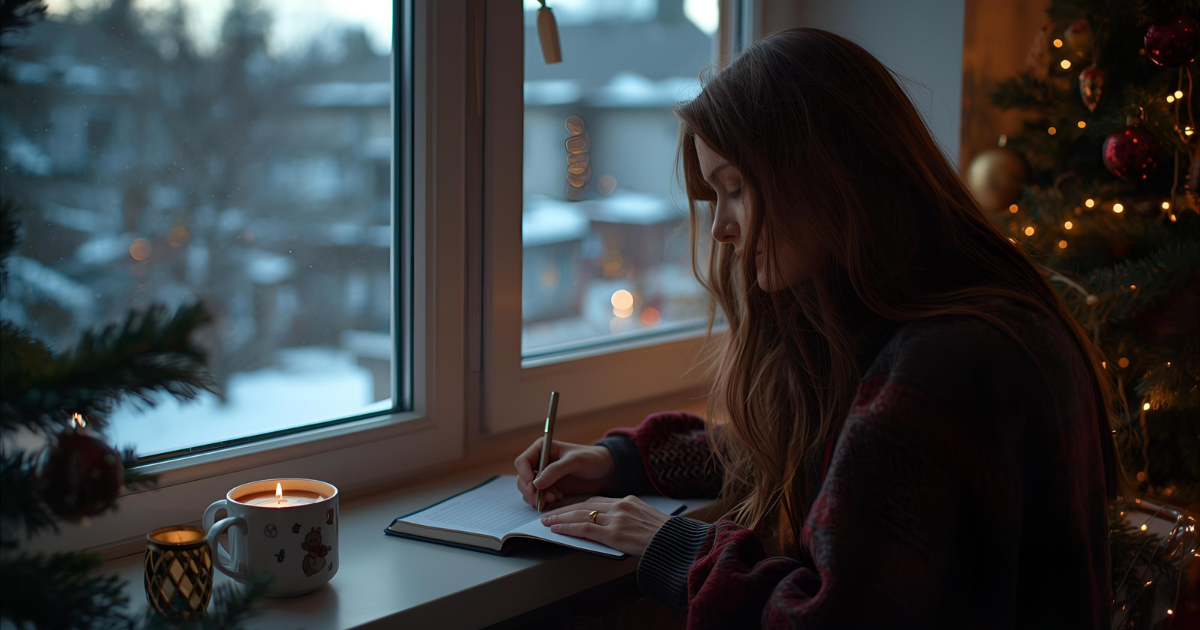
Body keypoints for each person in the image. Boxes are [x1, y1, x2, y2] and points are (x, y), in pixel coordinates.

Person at [513, 28, 1121, 629]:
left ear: (827, 175)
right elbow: (825, 454)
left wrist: (679, 549)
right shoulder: (923, 325)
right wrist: (619, 460)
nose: (723, 229)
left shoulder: (943, 368)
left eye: (736, 189)